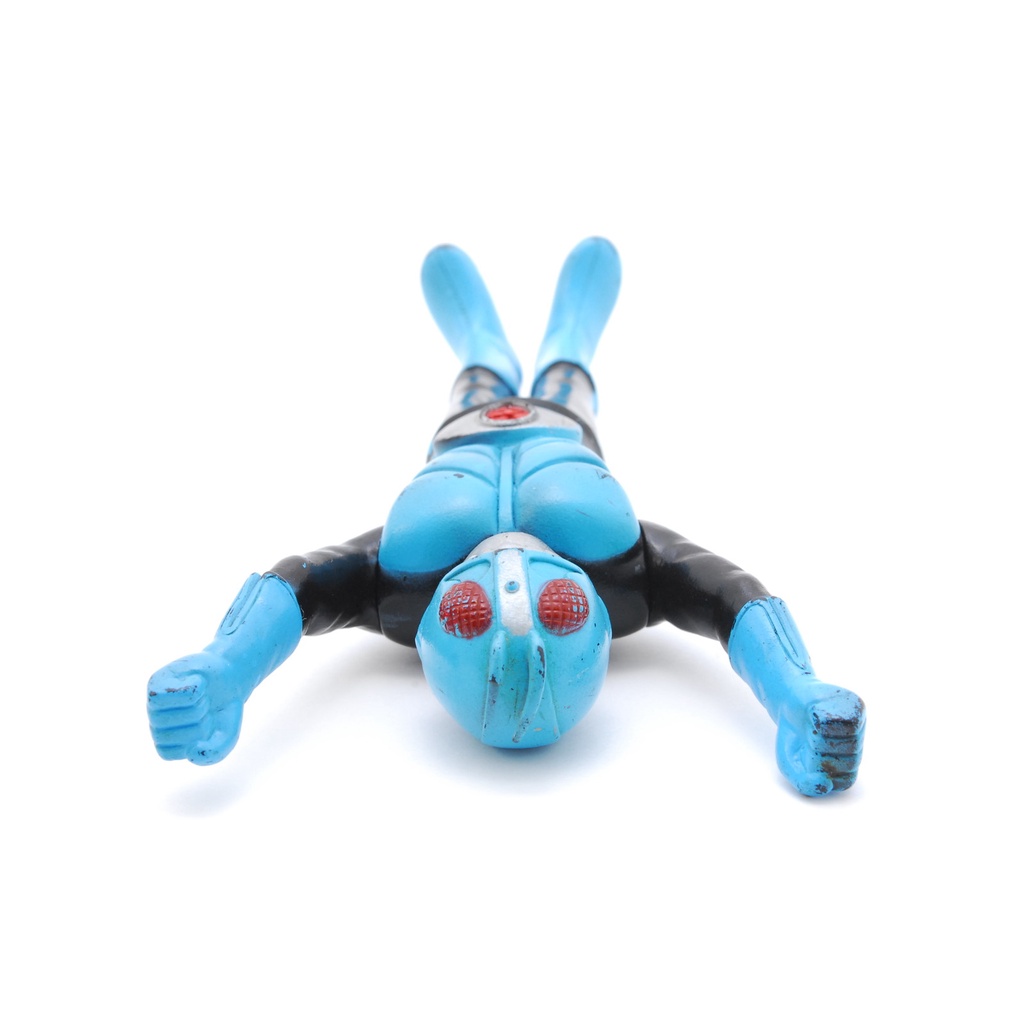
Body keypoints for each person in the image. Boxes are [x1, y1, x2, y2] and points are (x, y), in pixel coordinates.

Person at [147, 238, 865, 796]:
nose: (510, 576)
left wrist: (227, 665)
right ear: (591, 614)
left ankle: (484, 342)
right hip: (562, 420)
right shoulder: (629, 573)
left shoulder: (398, 583)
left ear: (435, 626)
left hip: (466, 422)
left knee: (482, 367)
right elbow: (732, 596)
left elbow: (299, 584)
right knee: (566, 367)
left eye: (469, 614)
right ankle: (569, 336)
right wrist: (793, 690)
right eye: (557, 611)